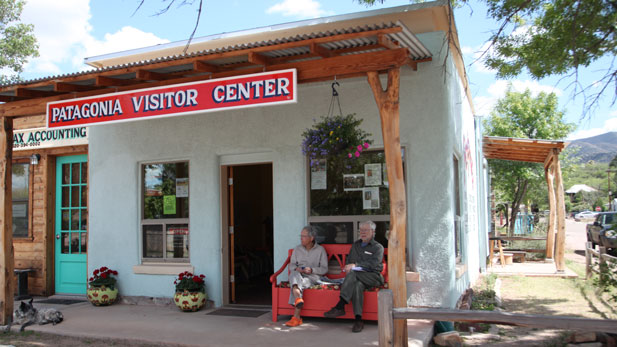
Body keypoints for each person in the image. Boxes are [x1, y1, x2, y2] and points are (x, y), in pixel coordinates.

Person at [324, 220, 384, 333]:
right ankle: (358, 320)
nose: (363, 232)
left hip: (373, 276)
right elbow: (350, 260)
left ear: (373, 231)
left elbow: (374, 264)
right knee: (357, 285)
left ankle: (340, 305)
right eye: (361, 230)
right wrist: (349, 266)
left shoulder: (378, 247)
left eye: (365, 230)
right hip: (357, 277)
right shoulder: (356, 245)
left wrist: (355, 266)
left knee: (353, 272)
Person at [285, 225, 328, 327]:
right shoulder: (297, 249)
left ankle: (297, 310)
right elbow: (291, 265)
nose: (301, 238)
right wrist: (297, 268)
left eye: (303, 236)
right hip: (298, 274)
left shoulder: (320, 250)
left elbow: (324, 269)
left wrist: (312, 269)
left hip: (312, 277)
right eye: (301, 236)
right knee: (295, 275)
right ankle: (297, 311)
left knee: (299, 283)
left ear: (311, 238)